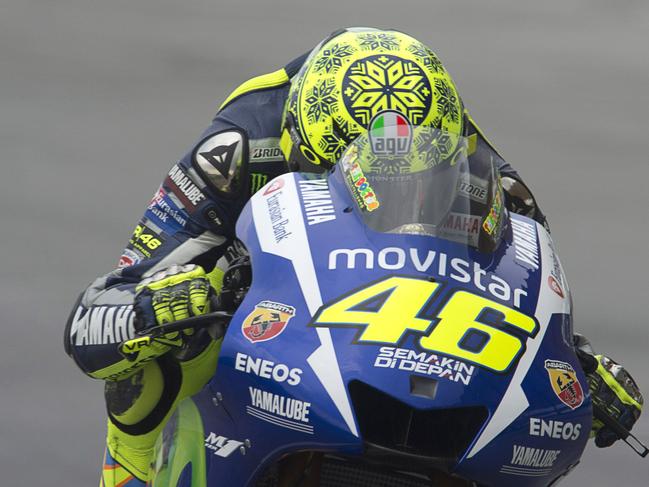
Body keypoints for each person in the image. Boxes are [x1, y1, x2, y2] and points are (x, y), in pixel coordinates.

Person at [64, 28, 643, 486]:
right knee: (147, 361)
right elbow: (107, 305)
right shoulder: (236, 147)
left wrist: (581, 363)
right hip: (273, 303)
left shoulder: (484, 169)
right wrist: (152, 307)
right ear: (298, 141)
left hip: (403, 326)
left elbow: (527, 284)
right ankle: (129, 478)